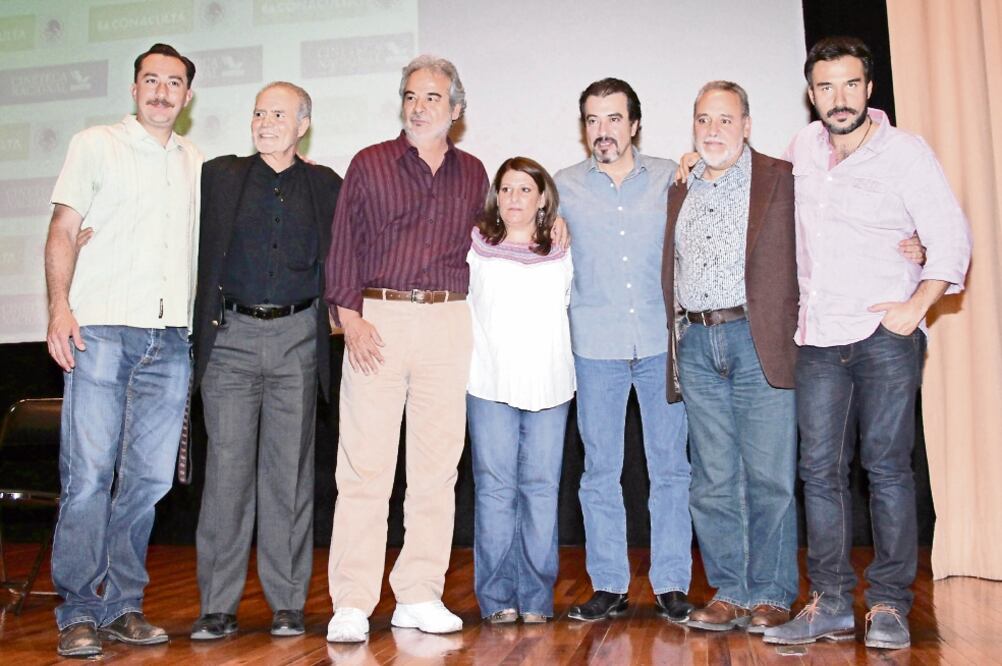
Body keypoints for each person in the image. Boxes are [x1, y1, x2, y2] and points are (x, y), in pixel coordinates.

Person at [762, 36, 971, 650]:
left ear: (869, 88)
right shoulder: (800, 147)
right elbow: (766, 209)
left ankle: (888, 604)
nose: (839, 98)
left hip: (885, 335)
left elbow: (951, 239)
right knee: (819, 472)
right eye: (826, 87)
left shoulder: (905, 153)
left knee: (887, 470)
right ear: (811, 94)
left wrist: (915, 306)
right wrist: (697, 161)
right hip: (819, 337)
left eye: (850, 84)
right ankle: (829, 602)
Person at [43, 43, 201, 658]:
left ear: (188, 97)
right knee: (88, 478)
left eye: (175, 82)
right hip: (101, 331)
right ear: (134, 89)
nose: (162, 91)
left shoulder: (196, 161)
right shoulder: (94, 143)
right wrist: (59, 306)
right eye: (151, 80)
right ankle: (77, 610)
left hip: (170, 341)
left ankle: (122, 606)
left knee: (149, 481)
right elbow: (62, 228)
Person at [323, 55, 488, 642]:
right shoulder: (369, 163)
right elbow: (344, 243)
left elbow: (500, 239)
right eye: (411, 96)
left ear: (456, 110)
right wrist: (351, 318)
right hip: (378, 319)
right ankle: (352, 600)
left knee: (437, 471)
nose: (419, 107)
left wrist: (555, 227)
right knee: (365, 469)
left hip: (448, 321)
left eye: (433, 98)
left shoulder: (474, 173)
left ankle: (419, 593)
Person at [189, 82, 342, 640]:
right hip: (229, 338)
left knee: (290, 477)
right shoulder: (220, 176)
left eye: (279, 113)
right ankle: (217, 606)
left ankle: (286, 602)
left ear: (303, 124)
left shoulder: (327, 185)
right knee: (226, 476)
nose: (266, 121)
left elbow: (350, 251)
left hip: (300, 336)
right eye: (258, 112)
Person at [662, 81, 799, 634]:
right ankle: (730, 591)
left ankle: (771, 591)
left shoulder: (781, 178)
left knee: (770, 476)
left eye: (725, 119)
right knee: (713, 479)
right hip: (696, 343)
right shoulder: (681, 185)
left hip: (756, 338)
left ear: (747, 124)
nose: (712, 130)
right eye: (703, 120)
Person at [555, 78, 693, 623]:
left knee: (670, 470)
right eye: (593, 120)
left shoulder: (672, 177)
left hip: (662, 344)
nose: (603, 131)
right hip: (594, 347)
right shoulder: (562, 186)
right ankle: (609, 584)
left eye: (614, 118)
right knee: (599, 472)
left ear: (634, 124)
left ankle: (672, 584)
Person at [466, 157, 574, 625]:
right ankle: (496, 600)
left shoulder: (564, 246)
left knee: (541, 491)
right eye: (506, 189)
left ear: (542, 197)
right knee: (494, 492)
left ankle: (534, 597)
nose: (514, 198)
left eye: (524, 190)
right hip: (488, 383)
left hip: (550, 385)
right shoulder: (474, 245)